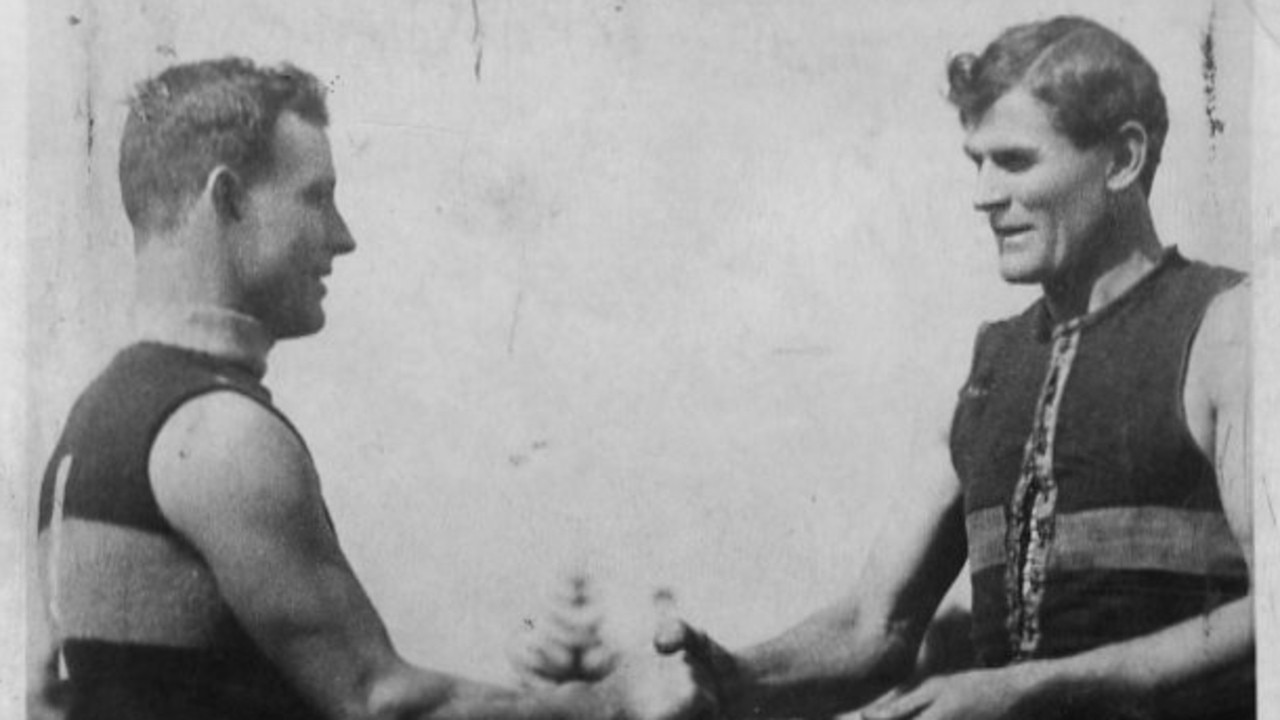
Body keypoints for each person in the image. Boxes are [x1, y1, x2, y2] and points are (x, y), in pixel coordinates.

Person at [34, 58, 710, 720]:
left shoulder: (102, 419)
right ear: (229, 198)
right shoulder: (216, 433)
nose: (343, 237)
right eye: (317, 197)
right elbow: (375, 699)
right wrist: (609, 704)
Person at [657, 16, 1254, 720]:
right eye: (977, 161)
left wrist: (1037, 689)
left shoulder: (1229, 329)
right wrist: (734, 676)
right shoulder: (986, 368)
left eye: (1015, 160)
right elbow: (874, 629)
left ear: (1122, 159)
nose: (983, 194)